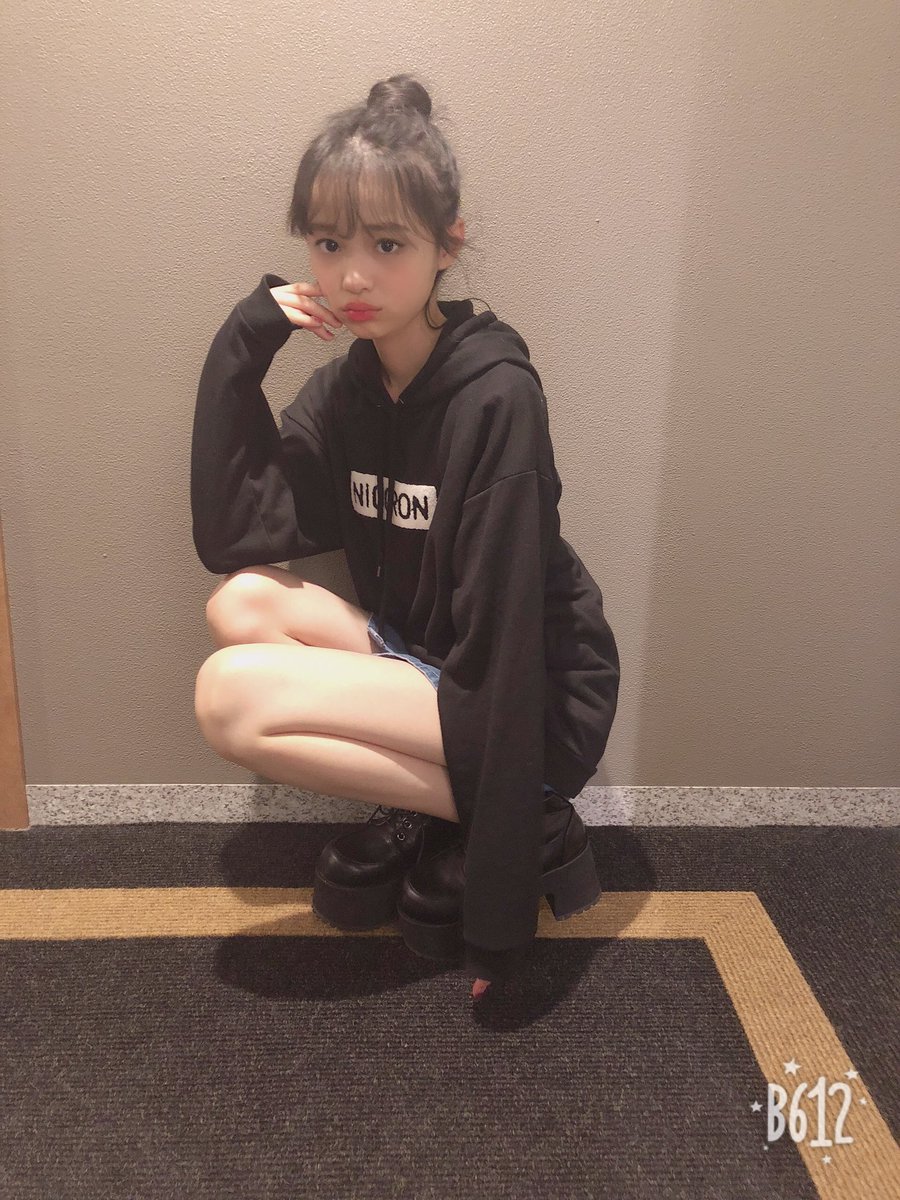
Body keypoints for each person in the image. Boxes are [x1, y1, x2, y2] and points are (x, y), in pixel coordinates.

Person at [191, 73, 620, 1002]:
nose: (352, 276)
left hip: (529, 693)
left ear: (446, 246)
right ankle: (436, 807)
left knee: (230, 698)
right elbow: (237, 535)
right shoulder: (348, 391)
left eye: (387, 245)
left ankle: (532, 819)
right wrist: (244, 343)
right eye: (329, 243)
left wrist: (498, 926)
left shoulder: (497, 398)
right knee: (242, 603)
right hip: (430, 664)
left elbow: (505, 640)